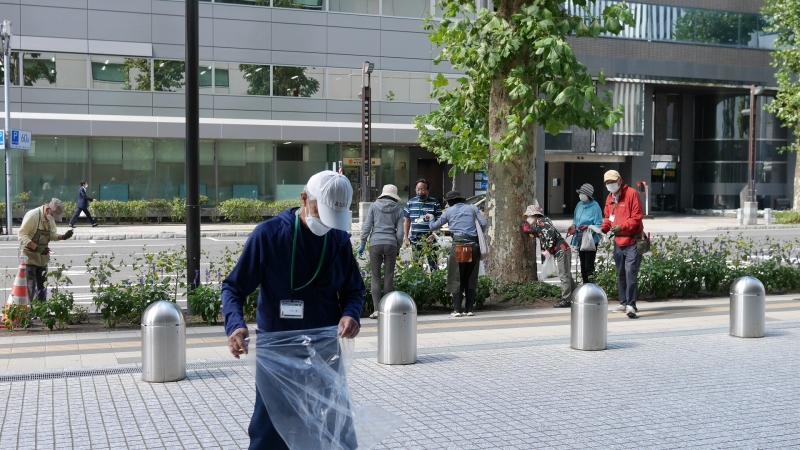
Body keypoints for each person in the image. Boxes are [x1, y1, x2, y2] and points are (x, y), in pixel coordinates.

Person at [220, 170, 364, 450]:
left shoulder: (337, 239)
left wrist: (351, 314)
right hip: (278, 349)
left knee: (334, 420)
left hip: (324, 348)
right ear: (303, 199)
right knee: (270, 425)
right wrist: (235, 325)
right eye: (319, 212)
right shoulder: (270, 236)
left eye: (332, 218)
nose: (325, 222)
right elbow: (233, 288)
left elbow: (353, 290)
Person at [428, 190, 487, 317]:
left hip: (458, 246)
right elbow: (484, 223)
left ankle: (457, 310)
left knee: (456, 277)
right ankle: (469, 309)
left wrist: (431, 217)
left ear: (449, 202)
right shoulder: (472, 208)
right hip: (473, 246)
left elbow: (433, 227)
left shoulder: (449, 211)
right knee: (470, 277)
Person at [599, 170, 644, 319]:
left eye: (612, 182)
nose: (610, 185)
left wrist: (622, 227)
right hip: (618, 241)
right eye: (608, 183)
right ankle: (623, 302)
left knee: (630, 272)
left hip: (632, 240)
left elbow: (637, 217)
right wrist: (603, 229)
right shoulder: (610, 198)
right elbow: (608, 218)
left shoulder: (631, 194)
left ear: (619, 180)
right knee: (621, 273)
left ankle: (631, 304)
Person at [358, 184, 404, 319]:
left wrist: (362, 243)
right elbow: (400, 233)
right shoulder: (398, 210)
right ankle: (387, 310)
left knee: (375, 277)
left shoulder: (374, 206)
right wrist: (398, 246)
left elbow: (367, 226)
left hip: (375, 243)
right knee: (389, 276)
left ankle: (377, 310)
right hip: (391, 244)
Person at [18, 199, 74, 304]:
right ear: (47, 209)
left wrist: (62, 237)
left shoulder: (50, 219)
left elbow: (52, 235)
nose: (53, 219)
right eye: (53, 215)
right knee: (30, 285)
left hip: (42, 257)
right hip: (28, 255)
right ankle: (28, 311)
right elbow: (22, 235)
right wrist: (36, 248)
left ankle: (41, 310)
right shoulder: (32, 216)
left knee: (42, 285)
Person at [522, 205, 576, 308]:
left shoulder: (541, 222)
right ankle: (576, 296)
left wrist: (548, 249)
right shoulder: (542, 222)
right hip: (562, 249)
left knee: (564, 275)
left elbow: (550, 236)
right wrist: (528, 232)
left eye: (529, 216)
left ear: (534, 215)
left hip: (561, 250)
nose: (528, 218)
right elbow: (541, 234)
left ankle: (566, 300)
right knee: (566, 274)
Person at [567, 183, 604, 284]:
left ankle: (591, 287)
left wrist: (589, 228)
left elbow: (599, 224)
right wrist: (573, 226)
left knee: (589, 265)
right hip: (579, 237)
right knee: (582, 264)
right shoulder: (579, 205)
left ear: (588, 195)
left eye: (582, 193)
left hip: (590, 239)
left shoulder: (595, 207)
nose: (580, 195)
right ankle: (585, 285)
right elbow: (575, 219)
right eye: (580, 193)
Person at [403, 178, 442, 269]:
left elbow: (439, 221)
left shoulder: (435, 203)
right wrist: (406, 237)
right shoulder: (411, 202)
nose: (420, 192)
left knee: (433, 266)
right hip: (415, 240)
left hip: (431, 240)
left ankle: (435, 282)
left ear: (428, 190)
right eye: (418, 189)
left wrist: (434, 234)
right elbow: (407, 221)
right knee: (417, 266)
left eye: (423, 189)